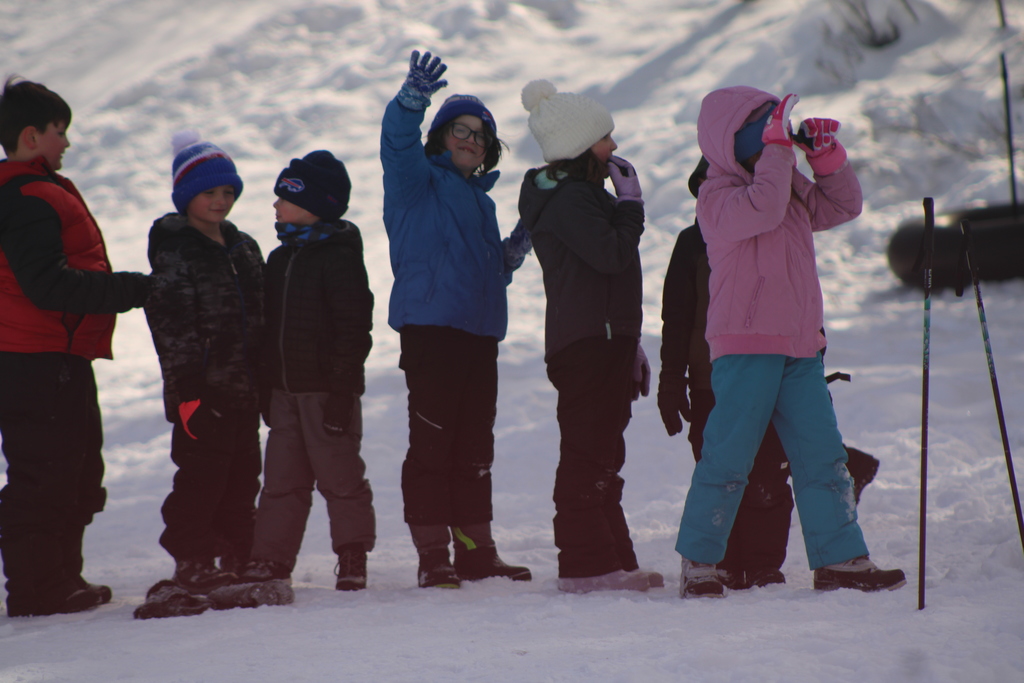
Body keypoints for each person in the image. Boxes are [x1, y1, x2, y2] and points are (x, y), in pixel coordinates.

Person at [674, 86, 905, 598]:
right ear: (729, 138)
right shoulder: (716, 196)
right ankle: (700, 561)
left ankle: (840, 558)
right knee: (729, 456)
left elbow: (843, 206)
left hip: (799, 346)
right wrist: (780, 151)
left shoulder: (788, 183)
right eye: (763, 125)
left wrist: (825, 157)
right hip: (745, 346)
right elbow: (763, 207)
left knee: (823, 456)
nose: (773, 134)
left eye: (773, 123)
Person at [0, 76, 152, 617]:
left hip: (58, 355)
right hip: (32, 358)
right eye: (59, 130)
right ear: (31, 136)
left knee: (78, 470)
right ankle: (36, 589)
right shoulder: (26, 197)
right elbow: (48, 285)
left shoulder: (39, 189)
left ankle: (62, 578)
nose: (66, 142)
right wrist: (134, 289)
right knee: (45, 472)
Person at [381, 50, 532, 588]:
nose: (471, 140)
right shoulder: (415, 182)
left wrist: (509, 257)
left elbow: (479, 271)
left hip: (479, 335)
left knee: (474, 448)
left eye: (481, 135)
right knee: (433, 445)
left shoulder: (481, 203)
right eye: (460, 130)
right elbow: (396, 144)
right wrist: (410, 103)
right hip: (432, 332)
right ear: (440, 136)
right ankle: (433, 555)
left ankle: (475, 549)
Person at [517, 79, 662, 594]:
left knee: (602, 454)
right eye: (605, 138)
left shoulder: (582, 196)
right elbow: (611, 254)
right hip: (586, 346)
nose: (614, 147)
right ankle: (585, 565)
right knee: (589, 454)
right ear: (580, 146)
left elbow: (606, 277)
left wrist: (629, 341)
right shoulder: (570, 200)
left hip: (603, 341)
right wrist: (631, 204)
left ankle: (612, 560)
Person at [234, 150, 376, 591]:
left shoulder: (339, 258)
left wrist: (342, 392)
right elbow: (267, 329)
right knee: (281, 483)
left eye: (285, 197)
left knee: (341, 478)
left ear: (314, 205)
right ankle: (270, 560)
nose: (275, 205)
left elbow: (354, 329)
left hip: (326, 393)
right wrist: (265, 387)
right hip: (283, 393)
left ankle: (352, 554)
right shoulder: (280, 259)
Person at [144, 130, 265, 595]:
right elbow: (172, 327)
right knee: (201, 479)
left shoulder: (243, 247)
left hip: (245, 389)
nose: (220, 201)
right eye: (209, 192)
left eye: (228, 191)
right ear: (185, 196)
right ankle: (192, 558)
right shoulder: (177, 250)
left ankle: (238, 552)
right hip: (202, 392)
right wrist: (188, 392)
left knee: (242, 477)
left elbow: (262, 314)